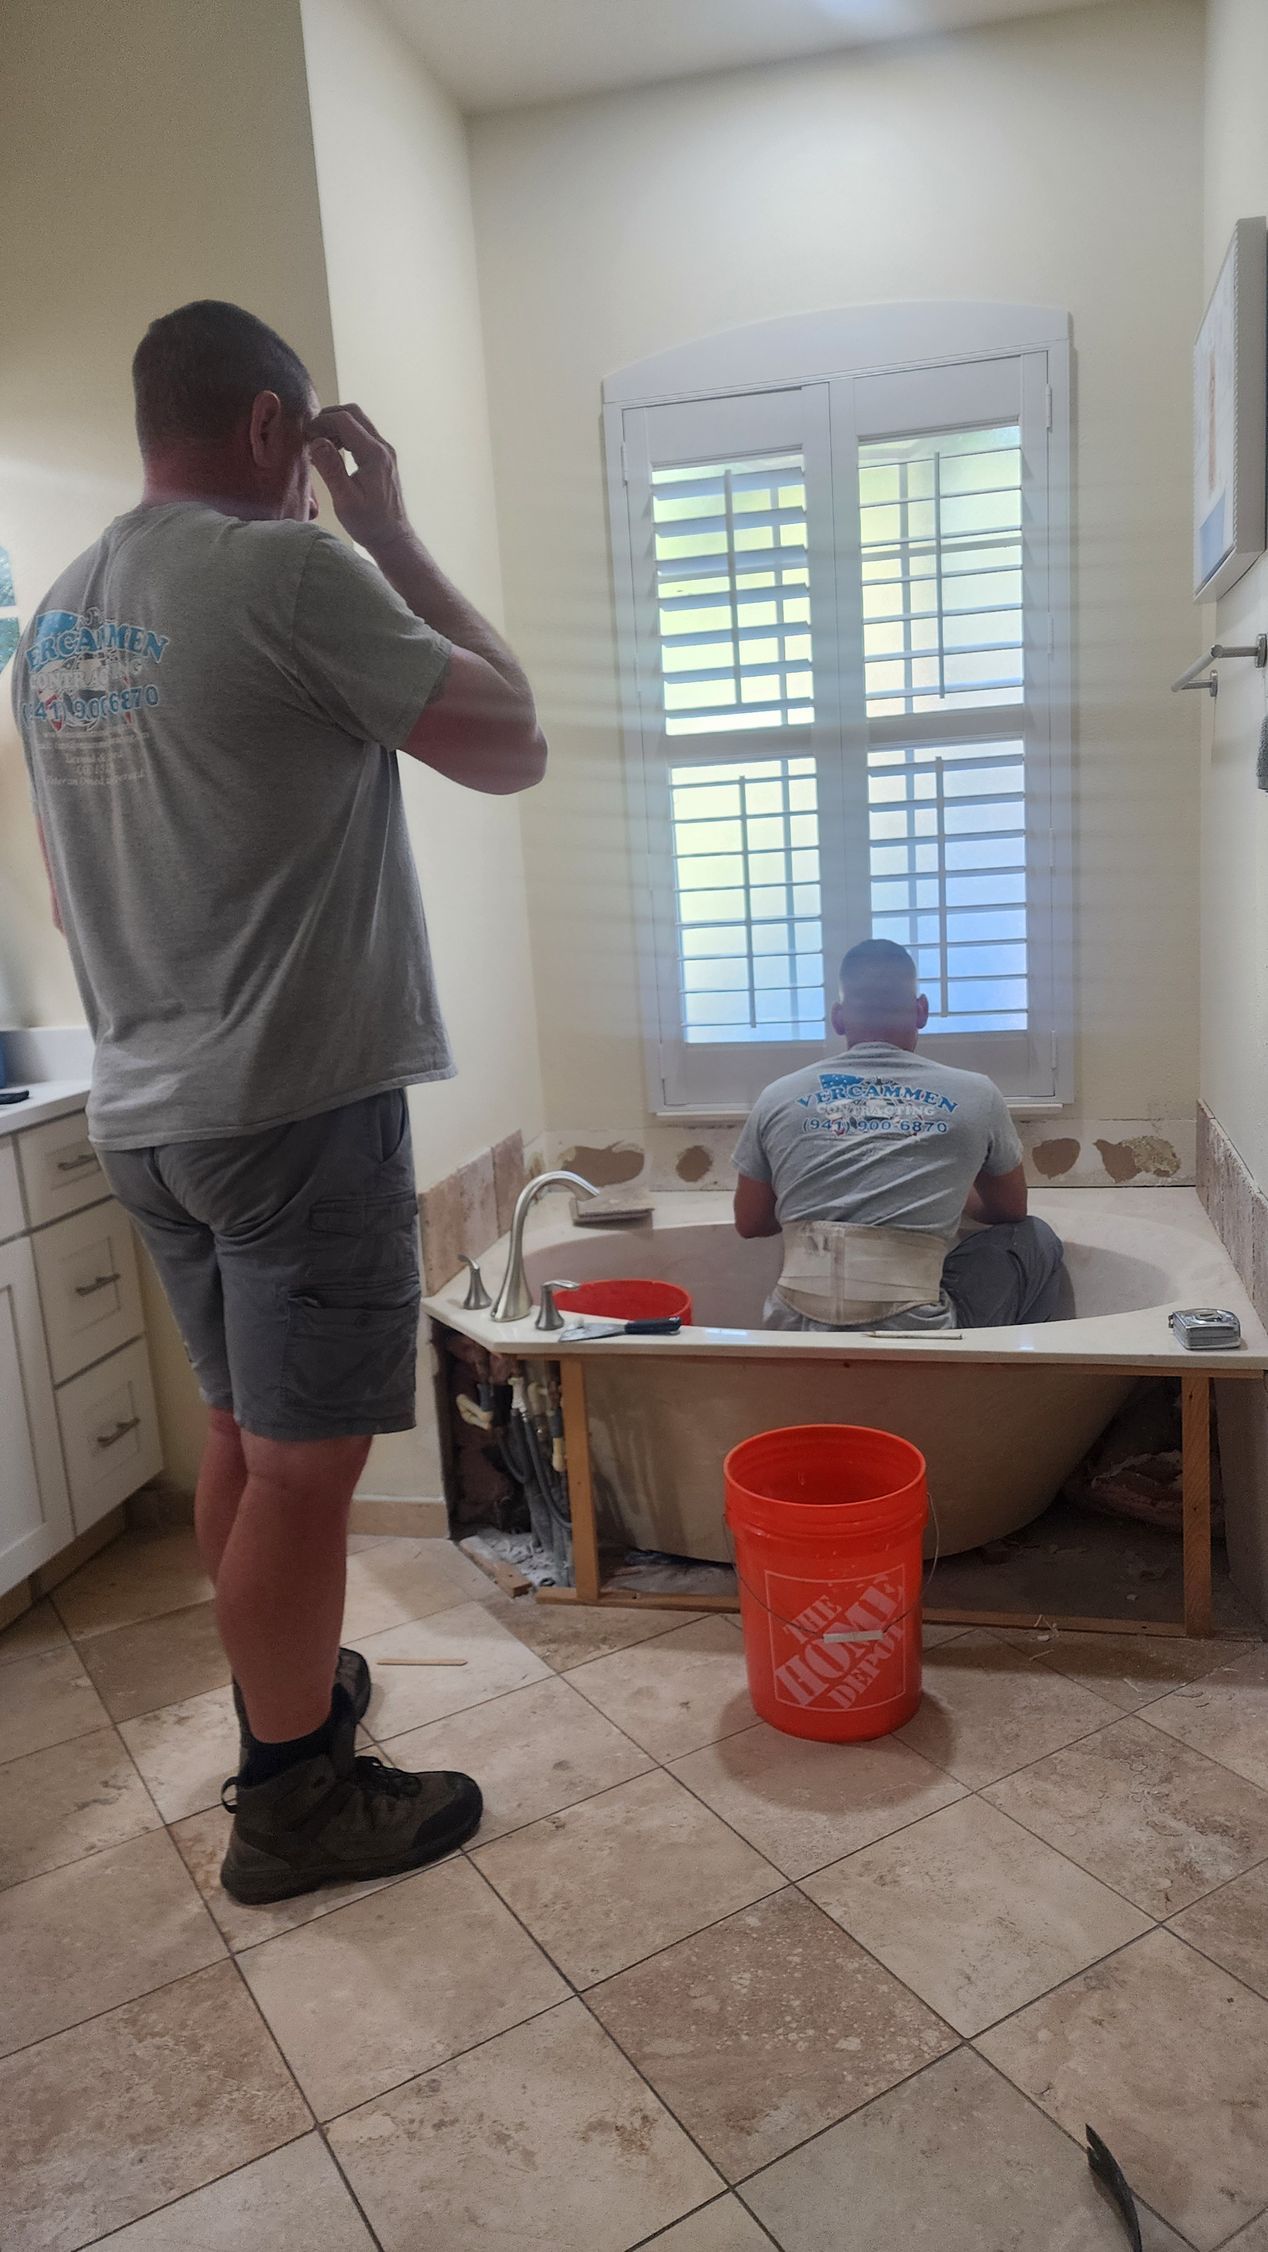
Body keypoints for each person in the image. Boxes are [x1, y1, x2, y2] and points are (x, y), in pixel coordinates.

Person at [11, 300, 547, 1905]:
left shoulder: (56, 621)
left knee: (246, 1441)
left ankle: (284, 1702)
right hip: (293, 1106)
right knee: (308, 1473)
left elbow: (66, 899)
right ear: (270, 427)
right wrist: (390, 535)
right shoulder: (289, 570)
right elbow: (513, 741)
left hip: (149, 1113)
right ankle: (295, 1801)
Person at [732, 939, 1065, 1333]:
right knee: (1034, 1238)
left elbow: (750, 1222)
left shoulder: (777, 1096)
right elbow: (1010, 1211)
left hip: (793, 1327)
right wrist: (946, 1188)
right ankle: (1006, 1369)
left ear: (838, 1018)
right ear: (921, 1010)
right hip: (916, 1331)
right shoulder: (977, 1094)